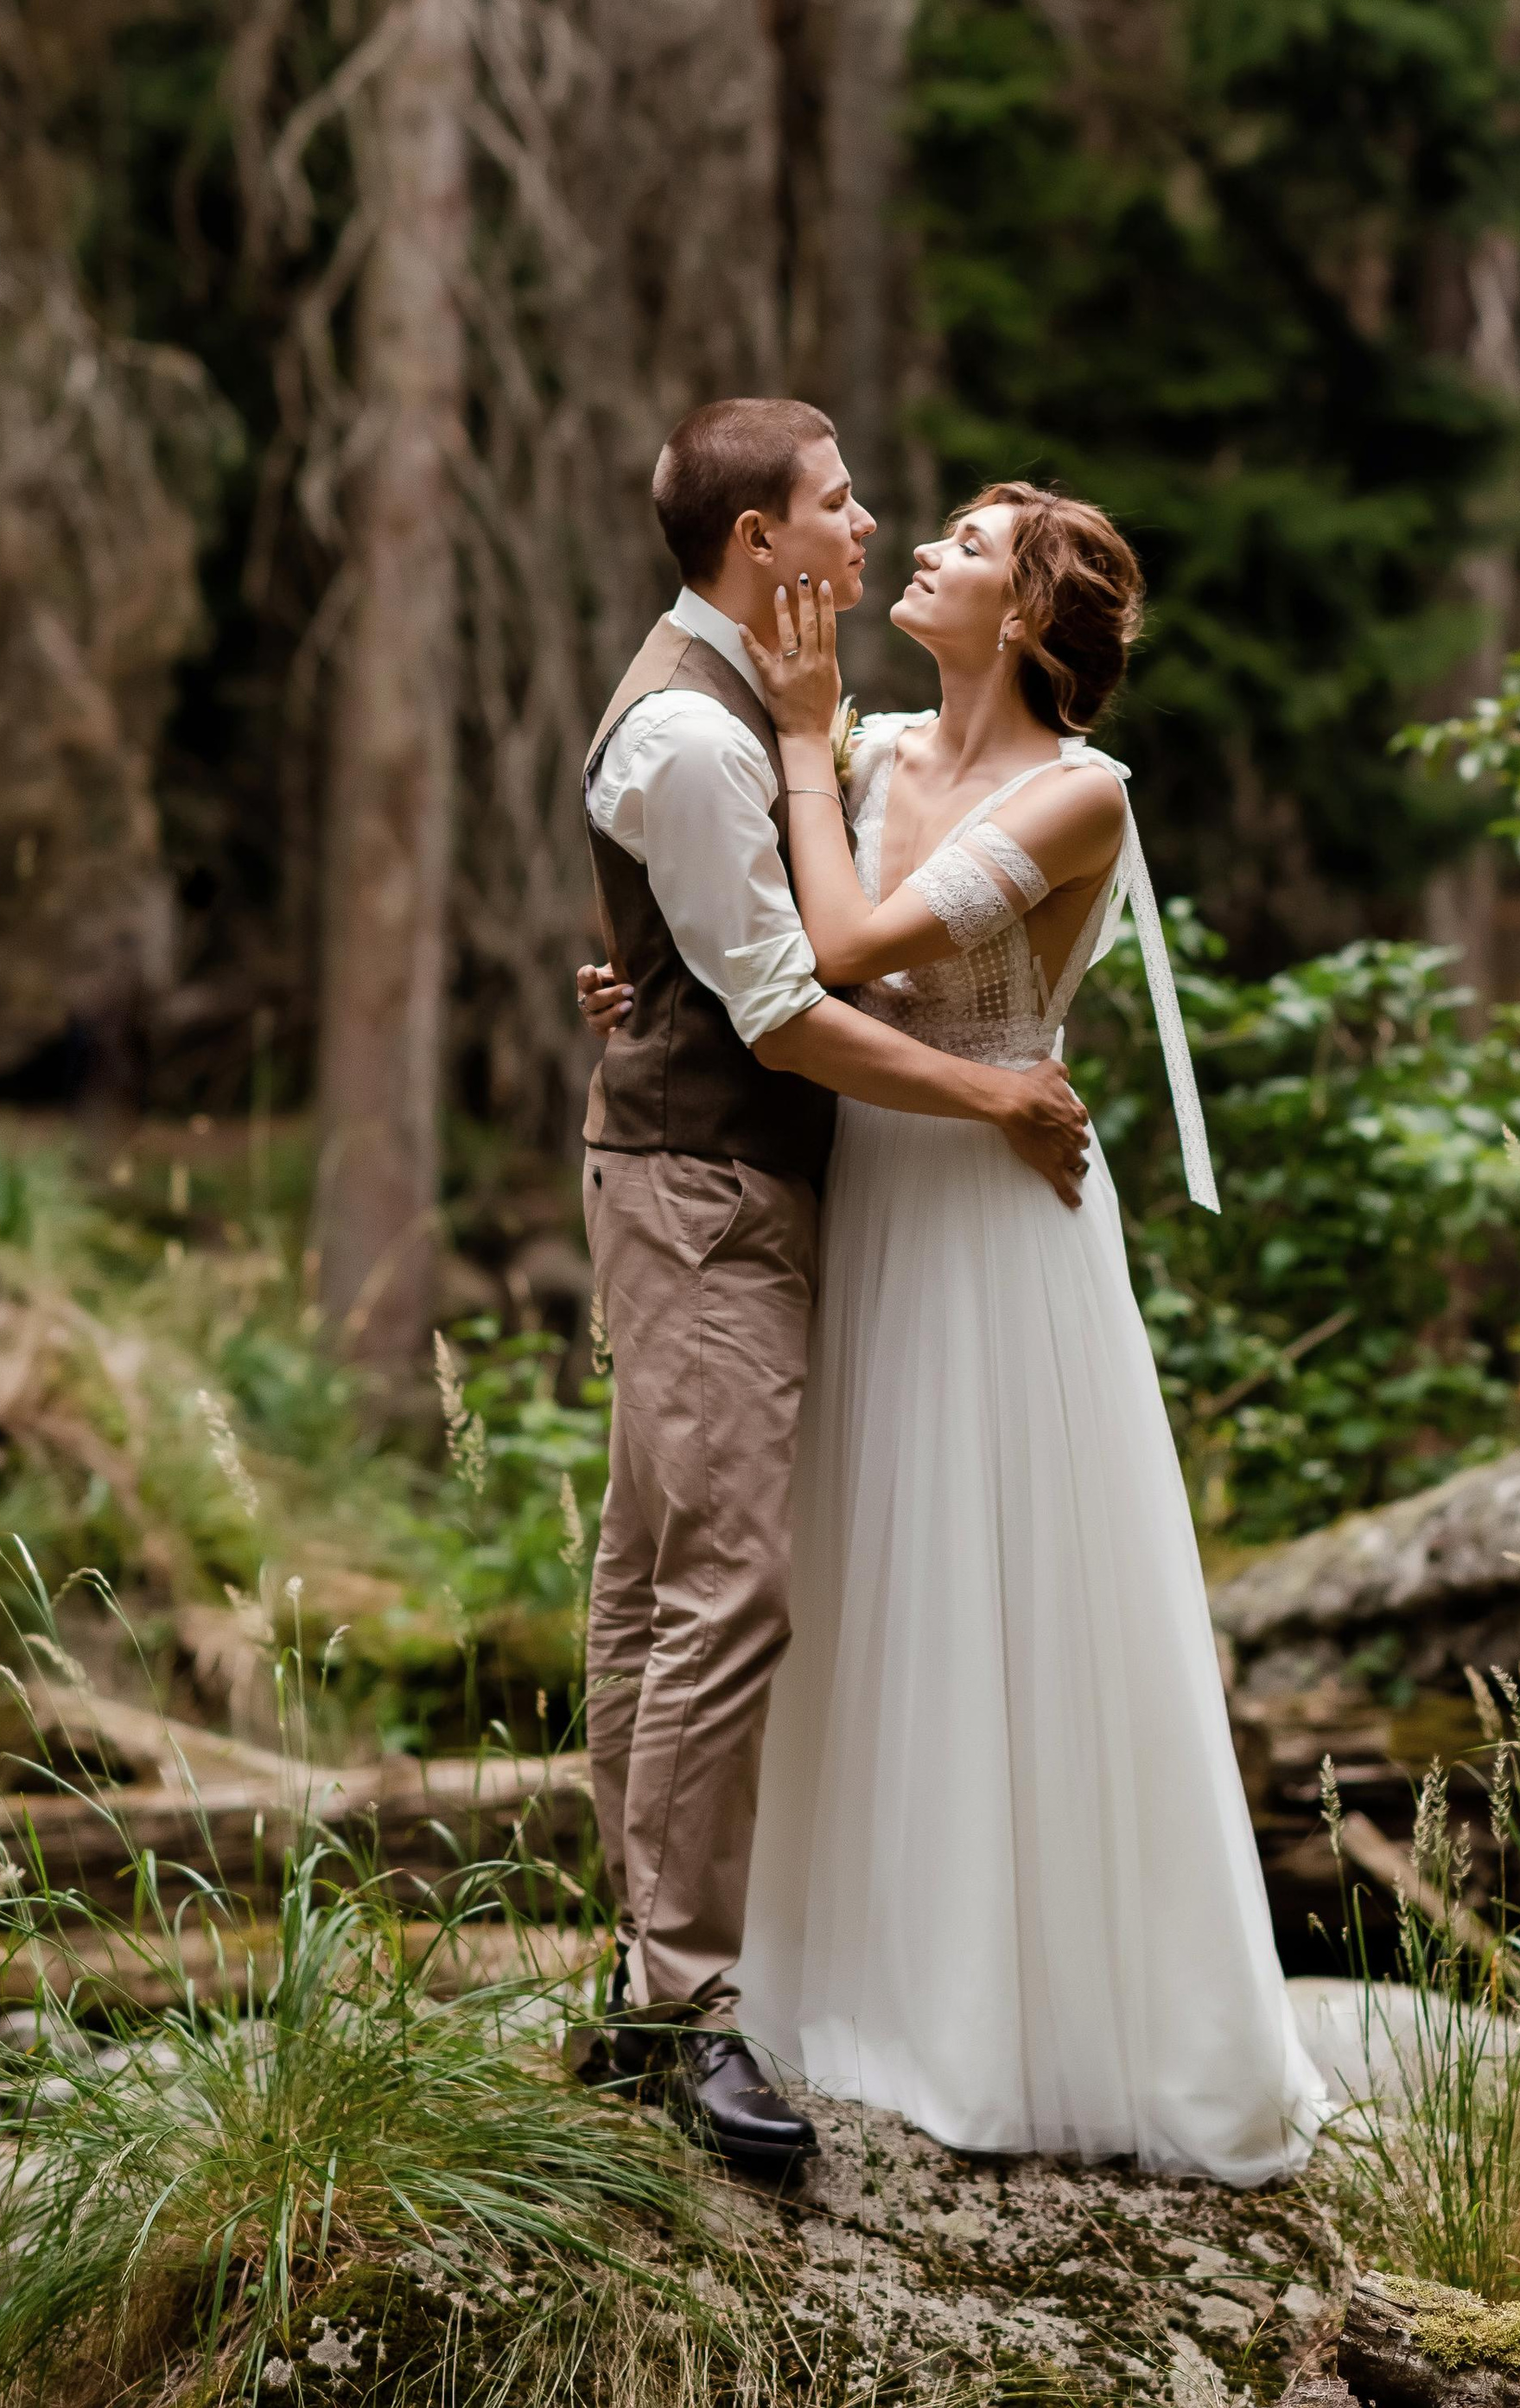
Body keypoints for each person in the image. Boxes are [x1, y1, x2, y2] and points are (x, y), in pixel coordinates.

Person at [725, 484, 1331, 2181]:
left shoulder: (1078, 801)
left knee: (1005, 1590)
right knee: (857, 1576)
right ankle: (835, 1985)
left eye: (971, 545)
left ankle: (1016, 2026)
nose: (924, 547)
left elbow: (847, 946)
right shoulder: (868, 752)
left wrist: (787, 735)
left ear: (1029, 614)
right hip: (871, 1191)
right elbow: (765, 958)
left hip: (998, 1228)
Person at [571, 403, 1093, 2188]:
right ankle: (685, 2007)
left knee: (657, 1584)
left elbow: (743, 942)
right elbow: (792, 1003)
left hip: (738, 1189)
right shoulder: (711, 741)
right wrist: (997, 1095)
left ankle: (647, 1980)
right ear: (753, 549)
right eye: (839, 504)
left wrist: (646, 972)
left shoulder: (767, 730)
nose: (870, 527)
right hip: (707, 1191)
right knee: (719, 1586)